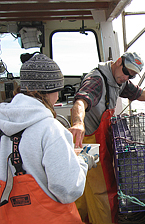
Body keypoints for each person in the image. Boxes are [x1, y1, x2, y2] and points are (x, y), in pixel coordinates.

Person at [68, 52, 145, 224]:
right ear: (118, 62)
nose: (127, 77)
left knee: (85, 188)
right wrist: (78, 122)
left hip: (97, 141)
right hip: (89, 143)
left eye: (131, 75)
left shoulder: (119, 80)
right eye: (126, 72)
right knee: (103, 191)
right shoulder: (97, 79)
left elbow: (141, 94)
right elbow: (80, 102)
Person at [0, 53, 97, 223]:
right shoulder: (51, 129)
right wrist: (82, 161)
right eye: (57, 91)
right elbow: (68, 189)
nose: (58, 97)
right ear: (44, 92)